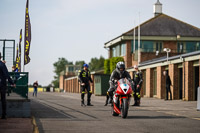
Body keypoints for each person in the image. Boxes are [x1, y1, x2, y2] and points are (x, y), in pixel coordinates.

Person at [0, 52, 15, 119]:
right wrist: (12, 83)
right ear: (0, 57)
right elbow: (7, 75)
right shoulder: (2, 65)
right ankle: (3, 115)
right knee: (3, 99)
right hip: (2, 84)